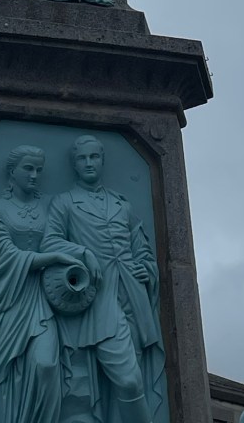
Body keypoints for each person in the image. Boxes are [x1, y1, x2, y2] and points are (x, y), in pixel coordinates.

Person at [41, 136, 168, 423]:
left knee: (123, 383)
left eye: (94, 157)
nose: (89, 163)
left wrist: (145, 269)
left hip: (133, 298)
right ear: (74, 164)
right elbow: (50, 242)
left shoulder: (122, 204)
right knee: (129, 381)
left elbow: (142, 249)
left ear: (102, 160)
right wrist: (83, 252)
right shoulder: (65, 202)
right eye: (82, 158)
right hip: (100, 299)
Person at [0, 145, 80, 423]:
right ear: (12, 171)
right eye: (28, 168)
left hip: (42, 300)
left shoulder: (51, 206)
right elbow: (7, 254)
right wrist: (53, 257)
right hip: (6, 299)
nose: (34, 175)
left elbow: (68, 238)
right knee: (6, 376)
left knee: (45, 366)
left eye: (39, 170)